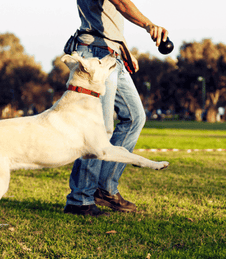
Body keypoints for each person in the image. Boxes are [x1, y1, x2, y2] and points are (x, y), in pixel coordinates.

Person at [63, 0, 169, 216]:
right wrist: (149, 25)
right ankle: (80, 199)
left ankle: (105, 189)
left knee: (135, 117)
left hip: (112, 53)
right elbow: (121, 3)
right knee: (99, 130)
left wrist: (123, 49)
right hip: (96, 54)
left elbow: (108, 18)